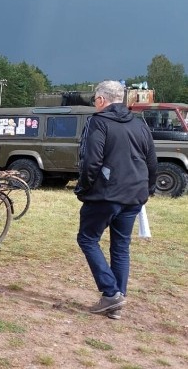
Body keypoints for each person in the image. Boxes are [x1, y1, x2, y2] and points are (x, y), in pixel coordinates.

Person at [74, 80, 156, 320]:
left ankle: (111, 293)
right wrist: (147, 190)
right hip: (134, 195)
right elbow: (152, 160)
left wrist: (83, 188)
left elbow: (91, 161)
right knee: (121, 247)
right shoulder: (139, 124)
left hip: (106, 195)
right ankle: (116, 300)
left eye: (94, 100)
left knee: (87, 239)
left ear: (101, 100)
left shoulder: (98, 122)